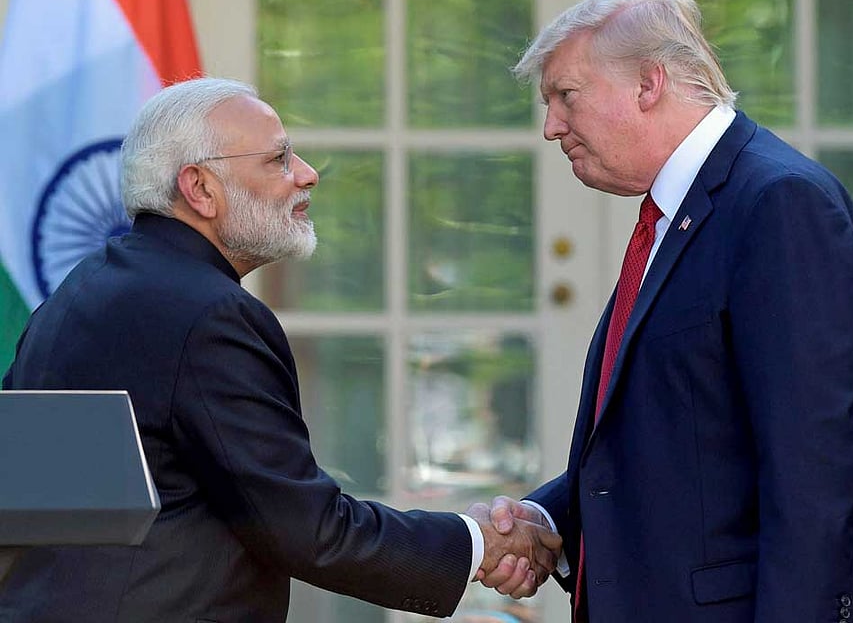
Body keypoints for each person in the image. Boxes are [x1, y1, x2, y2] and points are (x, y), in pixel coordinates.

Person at [0, 77, 561, 622]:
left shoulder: (85, 287)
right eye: (278, 160)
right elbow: (308, 530)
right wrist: (476, 545)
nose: (308, 175)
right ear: (199, 188)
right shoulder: (209, 315)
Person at [476, 0, 853, 622]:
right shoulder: (679, 212)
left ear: (648, 85)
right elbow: (684, 445)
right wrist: (545, 522)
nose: (550, 127)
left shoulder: (778, 205)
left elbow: (814, 476)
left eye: (566, 96)